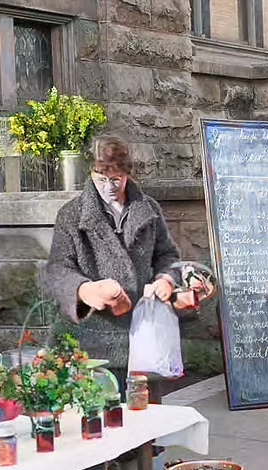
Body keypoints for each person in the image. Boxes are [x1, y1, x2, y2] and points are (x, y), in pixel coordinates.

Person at [43, 136, 181, 383]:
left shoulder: (148, 209)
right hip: (88, 343)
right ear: (91, 174)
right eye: (101, 179)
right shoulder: (71, 215)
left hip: (143, 340)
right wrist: (84, 290)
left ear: (127, 174)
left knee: (147, 417)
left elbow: (167, 255)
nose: (108, 187)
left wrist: (166, 278)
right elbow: (57, 269)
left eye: (116, 179)